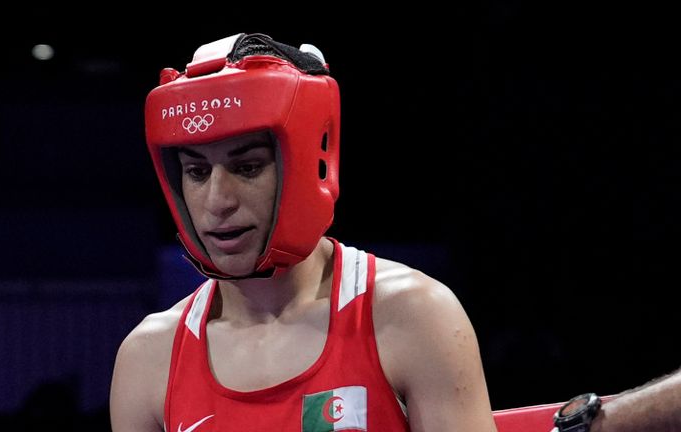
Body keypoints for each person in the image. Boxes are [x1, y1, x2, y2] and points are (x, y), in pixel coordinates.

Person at [109, 33, 497, 432]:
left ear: (307, 165)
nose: (217, 201)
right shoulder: (149, 360)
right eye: (197, 172)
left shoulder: (411, 317)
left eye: (247, 168)